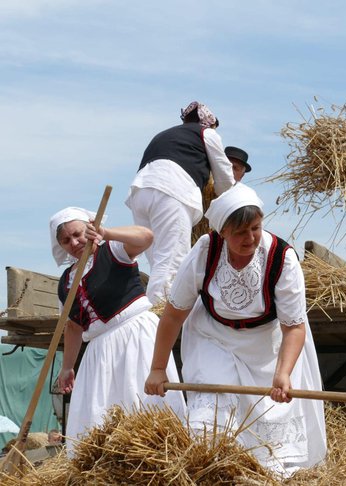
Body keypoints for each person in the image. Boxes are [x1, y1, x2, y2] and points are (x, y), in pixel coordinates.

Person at [145, 183, 326, 477]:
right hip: (213, 338)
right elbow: (173, 315)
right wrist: (157, 368)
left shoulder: (282, 257)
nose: (250, 237)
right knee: (208, 423)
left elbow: (293, 327)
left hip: (269, 346)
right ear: (223, 231)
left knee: (271, 451)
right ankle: (211, 474)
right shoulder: (205, 252)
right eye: (240, 232)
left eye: (255, 228)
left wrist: (284, 373)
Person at [50, 207, 185, 456]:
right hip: (99, 351)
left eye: (78, 234)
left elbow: (146, 236)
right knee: (98, 415)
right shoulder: (66, 282)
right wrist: (67, 367)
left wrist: (106, 232)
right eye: (66, 240)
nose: (74, 242)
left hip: (135, 336)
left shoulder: (112, 250)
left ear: (89, 229)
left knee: (142, 404)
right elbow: (73, 326)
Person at [126, 101, 235, 304]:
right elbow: (225, 177)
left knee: (159, 260)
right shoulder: (207, 134)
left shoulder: (165, 134)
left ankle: (154, 309)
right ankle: (159, 315)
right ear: (209, 123)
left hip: (140, 192)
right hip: (170, 191)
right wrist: (225, 201)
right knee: (171, 263)